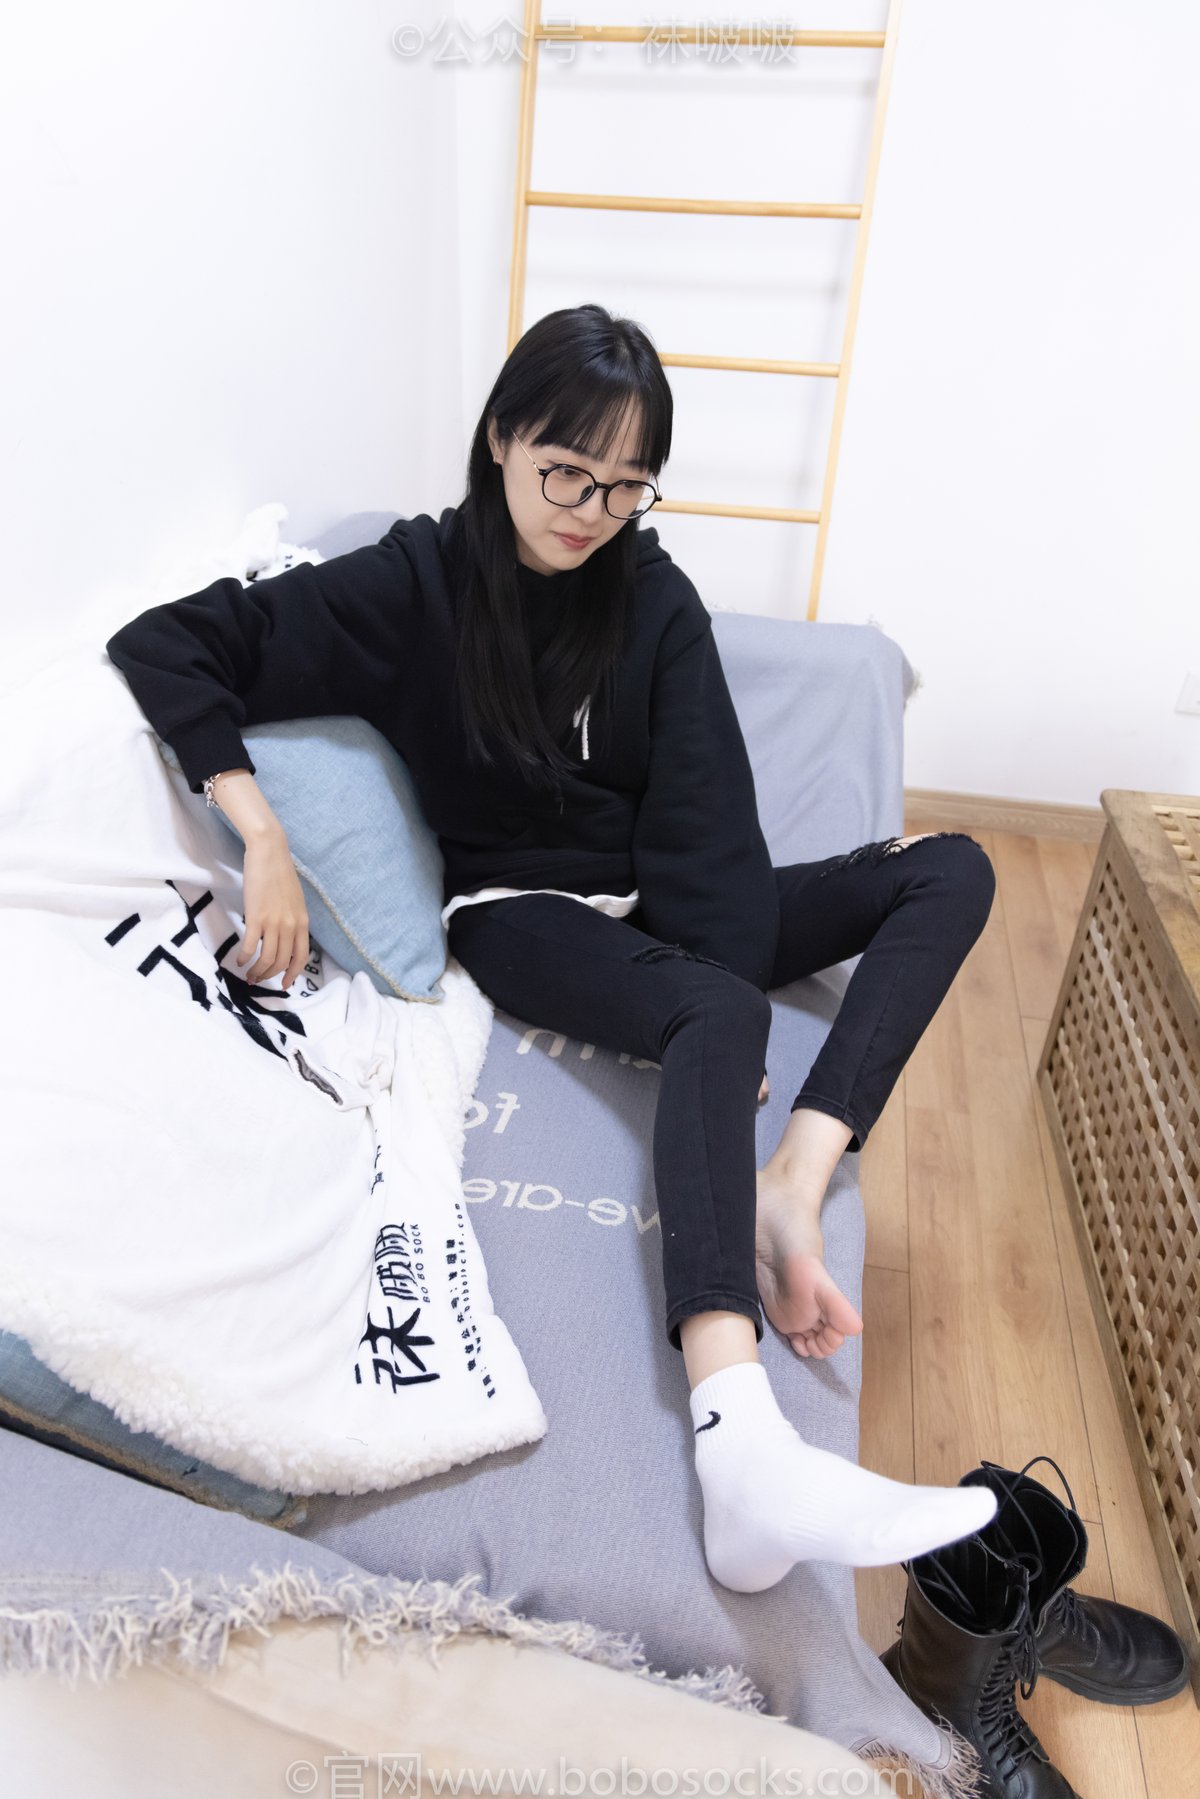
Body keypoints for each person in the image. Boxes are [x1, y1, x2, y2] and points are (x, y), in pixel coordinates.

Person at [105, 301, 998, 1593]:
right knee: (716, 1013)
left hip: (657, 894)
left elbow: (705, 819)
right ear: (501, 438)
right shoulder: (413, 582)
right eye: (566, 472)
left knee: (950, 868)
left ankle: (794, 1185)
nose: (591, 511)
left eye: (626, 486)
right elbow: (173, 643)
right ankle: (738, 1442)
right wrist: (260, 830)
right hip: (516, 905)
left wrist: (716, 977)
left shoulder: (653, 595)